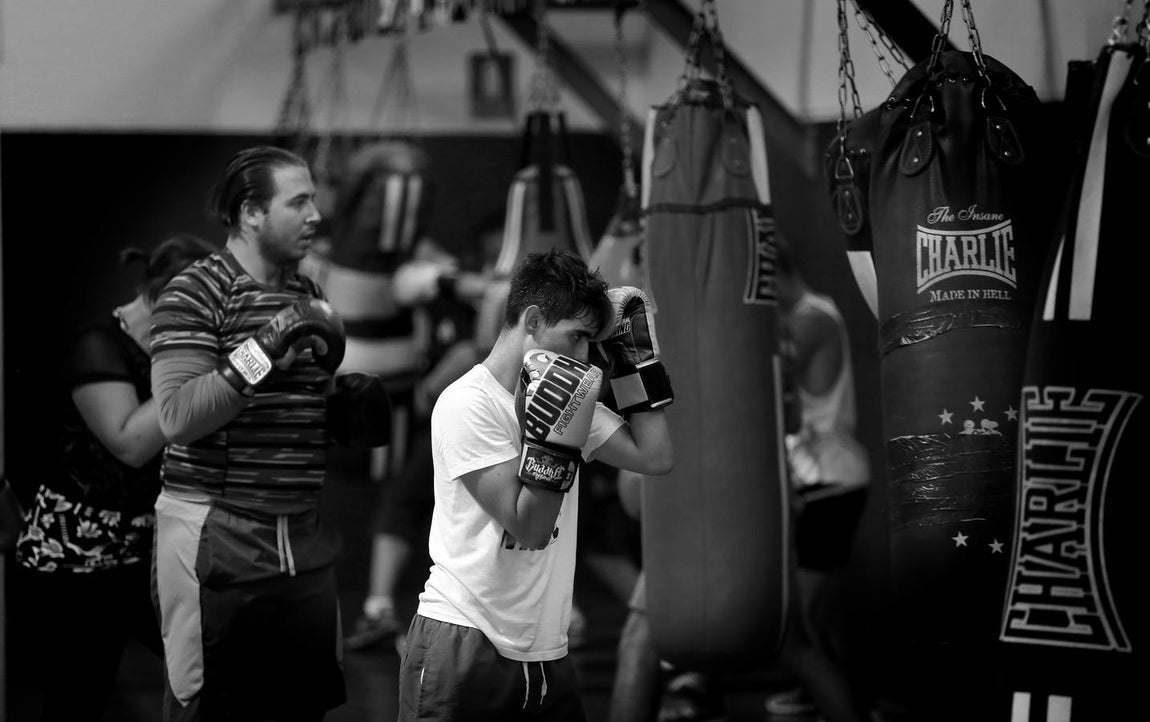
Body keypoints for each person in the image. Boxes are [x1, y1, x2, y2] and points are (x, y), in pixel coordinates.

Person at [148, 146, 389, 722]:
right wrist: (263, 351)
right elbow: (177, 417)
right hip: (217, 530)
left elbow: (298, 403)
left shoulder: (308, 294)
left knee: (302, 705)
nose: (316, 216)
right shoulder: (196, 292)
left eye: (314, 200)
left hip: (301, 536)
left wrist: (344, 409)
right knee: (210, 708)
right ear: (252, 212)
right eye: (299, 201)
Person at [396, 249, 674, 721]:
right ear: (532, 319)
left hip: (546, 649)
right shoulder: (467, 403)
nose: (585, 356)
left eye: (591, 341)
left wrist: (633, 364)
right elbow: (529, 528)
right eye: (577, 337)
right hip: (465, 639)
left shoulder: (571, 398)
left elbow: (655, 456)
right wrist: (560, 437)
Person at [12, 233, 216, 722]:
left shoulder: (170, 351)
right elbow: (130, 443)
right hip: (77, 556)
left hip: (140, 547)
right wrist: (205, 372)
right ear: (167, 299)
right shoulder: (98, 345)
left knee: (208, 670)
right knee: (78, 698)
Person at [345, 210, 503, 653]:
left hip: (487, 424)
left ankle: (552, 615)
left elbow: (480, 350)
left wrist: (444, 377)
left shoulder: (512, 301)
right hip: (445, 423)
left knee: (486, 520)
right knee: (409, 504)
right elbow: (411, 282)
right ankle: (383, 610)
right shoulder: (449, 288)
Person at [765, 236, 871, 722]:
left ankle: (849, 707)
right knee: (815, 617)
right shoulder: (800, 317)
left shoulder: (811, 318)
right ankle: (830, 698)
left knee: (801, 624)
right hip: (817, 482)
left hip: (831, 481)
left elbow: (768, 380)